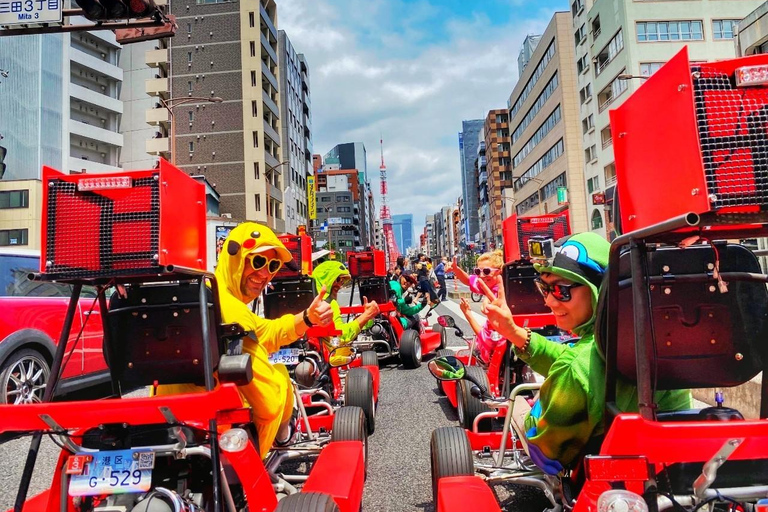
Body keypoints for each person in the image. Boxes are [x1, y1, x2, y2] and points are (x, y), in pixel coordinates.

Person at [479, 232, 692, 475]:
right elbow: (581, 360)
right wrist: (514, 331)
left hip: (604, 481)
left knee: (517, 405)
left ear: (598, 289)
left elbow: (546, 452)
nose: (549, 301)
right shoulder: (653, 336)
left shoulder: (577, 368)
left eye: (561, 290)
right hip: (674, 464)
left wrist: (530, 414)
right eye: (544, 288)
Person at [155, 222, 334, 458]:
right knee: (279, 378)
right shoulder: (232, 311)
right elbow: (268, 404)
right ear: (235, 257)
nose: (264, 274)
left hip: (165, 417)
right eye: (257, 262)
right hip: (216, 430)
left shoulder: (211, 294)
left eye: (272, 265)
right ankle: (271, 448)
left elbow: (263, 333)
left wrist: (307, 318)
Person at [312, 260, 380, 366]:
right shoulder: (329, 304)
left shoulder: (309, 299)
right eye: (338, 279)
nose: (340, 285)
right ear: (326, 279)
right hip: (326, 358)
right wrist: (366, 316)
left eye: (342, 282)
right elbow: (342, 336)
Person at [448, 250, 506, 362]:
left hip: (496, 349)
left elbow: (486, 338)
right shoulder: (489, 283)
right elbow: (468, 280)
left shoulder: (500, 295)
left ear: (500, 271)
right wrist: (456, 269)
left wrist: (467, 313)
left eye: (486, 271)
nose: (482, 275)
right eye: (478, 271)